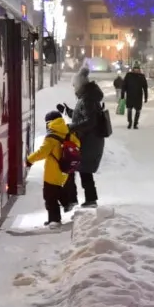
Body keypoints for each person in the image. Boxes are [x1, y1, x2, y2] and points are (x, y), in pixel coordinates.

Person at [59, 67, 105, 208]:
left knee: (73, 168)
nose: (73, 88)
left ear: (79, 85)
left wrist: (71, 127)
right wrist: (68, 111)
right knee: (82, 170)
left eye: (74, 85)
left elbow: (90, 121)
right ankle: (88, 199)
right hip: (89, 141)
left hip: (88, 142)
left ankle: (74, 200)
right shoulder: (87, 97)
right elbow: (82, 116)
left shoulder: (87, 99)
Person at [26, 110, 79, 228]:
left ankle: (54, 220)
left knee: (50, 197)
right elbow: (77, 145)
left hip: (52, 173)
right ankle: (67, 203)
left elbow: (42, 153)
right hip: (65, 171)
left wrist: (29, 160)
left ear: (49, 123)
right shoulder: (69, 133)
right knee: (59, 191)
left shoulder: (51, 137)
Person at [120, 62, 149, 129]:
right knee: (129, 110)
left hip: (138, 96)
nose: (136, 70)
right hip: (130, 96)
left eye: (137, 69)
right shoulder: (128, 75)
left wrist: (146, 97)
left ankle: (135, 123)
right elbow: (124, 85)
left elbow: (145, 87)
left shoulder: (142, 76)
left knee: (138, 110)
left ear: (139, 69)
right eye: (135, 68)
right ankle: (130, 122)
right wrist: (122, 94)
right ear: (133, 69)